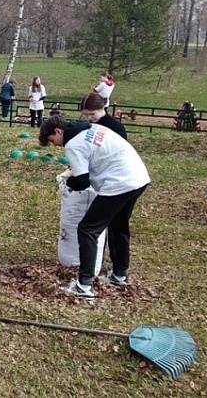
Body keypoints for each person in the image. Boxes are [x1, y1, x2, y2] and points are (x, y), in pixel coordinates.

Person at [39, 115, 150, 298]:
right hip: (138, 177)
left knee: (87, 229)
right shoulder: (91, 128)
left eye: (53, 140)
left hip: (119, 182)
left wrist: (69, 182)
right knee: (118, 225)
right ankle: (120, 275)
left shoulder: (72, 144)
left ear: (58, 131)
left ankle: (84, 286)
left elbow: (82, 181)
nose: (56, 145)